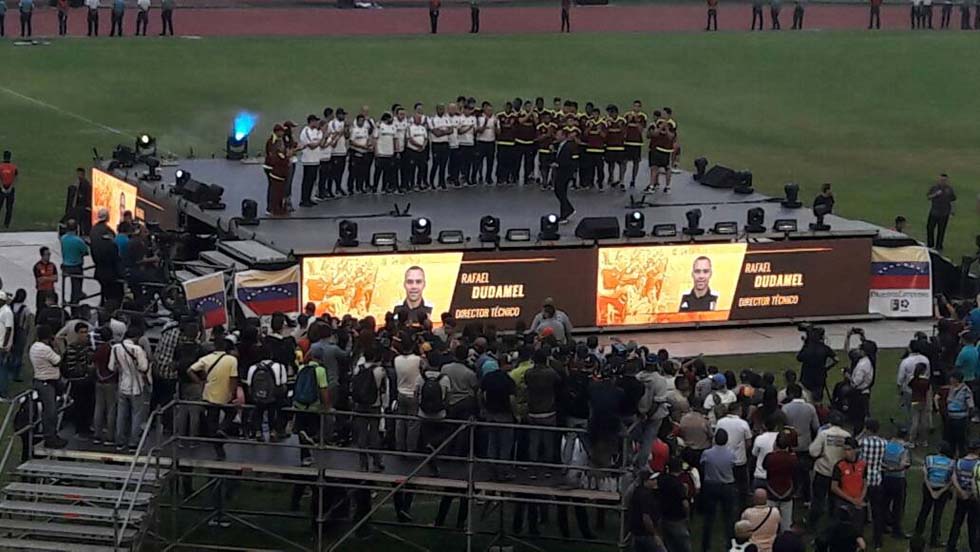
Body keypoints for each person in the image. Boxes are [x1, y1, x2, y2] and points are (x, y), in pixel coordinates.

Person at [188, 336, 239, 461]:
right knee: (231, 412)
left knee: (212, 422)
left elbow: (190, 370)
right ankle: (222, 429)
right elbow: (233, 379)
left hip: (209, 395)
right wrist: (232, 394)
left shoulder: (206, 359)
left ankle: (219, 451)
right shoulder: (232, 360)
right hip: (225, 395)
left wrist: (200, 382)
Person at [110, 326, 151, 452]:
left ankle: (120, 441)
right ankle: (133, 442)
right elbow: (144, 368)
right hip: (136, 386)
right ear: (136, 337)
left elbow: (112, 367)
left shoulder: (115, 348)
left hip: (122, 385)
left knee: (121, 415)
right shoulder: (137, 349)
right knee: (136, 415)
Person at [808, 410, 851, 529]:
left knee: (818, 500)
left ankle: (812, 525)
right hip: (839, 473)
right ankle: (834, 524)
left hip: (823, 471)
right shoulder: (847, 435)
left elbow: (813, 451)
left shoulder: (824, 434)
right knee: (835, 501)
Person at [29, 325, 68, 448]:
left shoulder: (34, 347)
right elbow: (58, 361)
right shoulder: (45, 349)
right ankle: (50, 437)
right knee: (50, 412)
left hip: (41, 380)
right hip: (47, 382)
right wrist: (56, 346)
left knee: (49, 410)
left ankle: (51, 435)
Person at [700, 428, 737, 552]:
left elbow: (702, 464)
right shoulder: (731, 454)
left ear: (715, 439)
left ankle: (705, 546)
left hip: (711, 485)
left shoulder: (707, 453)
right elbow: (733, 466)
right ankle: (730, 545)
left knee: (709, 517)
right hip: (727, 486)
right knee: (728, 517)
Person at [914, 442, 954, 547]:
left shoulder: (929, 459)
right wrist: (940, 492)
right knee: (938, 514)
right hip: (942, 489)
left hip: (929, 487)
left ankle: (917, 534)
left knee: (924, 510)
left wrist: (931, 491)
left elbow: (925, 475)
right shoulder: (951, 463)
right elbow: (951, 481)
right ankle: (934, 539)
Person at [858, 419, 888, 548]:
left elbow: (855, 442)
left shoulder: (862, 442)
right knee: (877, 512)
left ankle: (859, 539)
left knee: (859, 510)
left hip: (863, 480)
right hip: (877, 479)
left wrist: (861, 433)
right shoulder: (883, 443)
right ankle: (878, 542)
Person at [947, 440, 980, 552]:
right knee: (974, 524)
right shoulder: (978, 464)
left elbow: (954, 478)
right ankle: (974, 547)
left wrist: (960, 492)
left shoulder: (959, 462)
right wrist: (971, 493)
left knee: (957, 522)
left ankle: (951, 546)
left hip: (961, 497)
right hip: (974, 498)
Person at [763, 433, 797, 532]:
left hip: (771, 490)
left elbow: (764, 466)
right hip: (787, 491)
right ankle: (785, 542)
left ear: (776, 444)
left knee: (769, 521)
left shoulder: (769, 457)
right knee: (786, 523)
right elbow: (795, 473)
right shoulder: (793, 459)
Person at [659, 458, 692, 552]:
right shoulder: (678, 485)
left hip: (664, 516)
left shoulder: (662, 480)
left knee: (669, 545)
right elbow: (685, 503)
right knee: (684, 546)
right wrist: (687, 516)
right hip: (677, 518)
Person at [881, 435, 911, 539]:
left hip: (886, 478)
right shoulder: (903, 449)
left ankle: (883, 525)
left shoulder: (886, 445)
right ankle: (896, 530)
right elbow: (905, 464)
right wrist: (895, 468)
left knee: (884, 503)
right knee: (898, 506)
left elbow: (881, 461)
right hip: (898, 479)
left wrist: (887, 468)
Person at [629, 471, 663, 552]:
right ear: (645, 481)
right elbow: (646, 517)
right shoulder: (646, 495)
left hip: (637, 532)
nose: (656, 481)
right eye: (652, 480)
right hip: (646, 534)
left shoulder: (638, 491)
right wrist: (654, 535)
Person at [263, 124, 292, 215]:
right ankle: (271, 208)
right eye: (282, 131)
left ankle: (277, 206)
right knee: (273, 187)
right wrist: (286, 157)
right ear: (277, 131)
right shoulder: (273, 141)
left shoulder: (280, 140)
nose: (283, 133)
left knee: (279, 187)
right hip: (271, 167)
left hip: (277, 167)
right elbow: (276, 155)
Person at [945, 371, 974, 457]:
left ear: (956, 379)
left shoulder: (965, 390)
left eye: (952, 378)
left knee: (961, 440)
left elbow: (970, 405)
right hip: (950, 417)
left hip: (960, 418)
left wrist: (968, 416)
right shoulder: (951, 388)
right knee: (950, 440)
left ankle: (962, 457)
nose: (950, 379)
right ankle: (950, 456)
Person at [297, 115, 323, 207]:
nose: (316, 123)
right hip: (308, 160)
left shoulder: (317, 131)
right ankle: (304, 199)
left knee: (312, 180)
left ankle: (309, 198)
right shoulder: (306, 131)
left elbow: (320, 142)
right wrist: (318, 142)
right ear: (311, 121)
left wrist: (318, 142)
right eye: (315, 121)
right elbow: (312, 146)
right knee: (307, 180)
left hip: (316, 159)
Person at [551, 128, 576, 222]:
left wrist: (558, 164)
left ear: (563, 136)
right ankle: (565, 212)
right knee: (560, 192)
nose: (556, 137)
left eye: (558, 135)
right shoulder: (560, 145)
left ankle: (568, 210)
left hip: (564, 173)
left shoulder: (568, 146)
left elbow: (567, 160)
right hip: (561, 172)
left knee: (560, 191)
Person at [926, 173, 956, 250]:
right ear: (939, 180)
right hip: (934, 212)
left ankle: (939, 246)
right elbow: (929, 197)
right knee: (930, 228)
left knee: (941, 230)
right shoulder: (934, 188)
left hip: (944, 213)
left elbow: (952, 200)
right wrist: (935, 194)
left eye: (944, 180)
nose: (943, 181)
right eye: (941, 180)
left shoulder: (949, 189)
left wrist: (952, 210)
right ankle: (930, 244)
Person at [32, 247, 58, 313]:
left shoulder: (52, 265)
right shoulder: (37, 266)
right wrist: (50, 278)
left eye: (49, 254)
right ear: (42, 255)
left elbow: (56, 278)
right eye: (47, 254)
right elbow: (39, 280)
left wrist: (45, 278)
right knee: (40, 310)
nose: (49, 256)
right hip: (41, 291)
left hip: (51, 291)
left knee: (52, 309)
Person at [0, 151, 18, 229]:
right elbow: (15, 178)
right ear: (10, 157)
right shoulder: (13, 167)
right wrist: (10, 187)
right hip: (10, 189)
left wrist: (2, 187)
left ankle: (5, 225)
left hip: (1, 189)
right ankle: (6, 224)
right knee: (9, 208)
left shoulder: (0, 167)